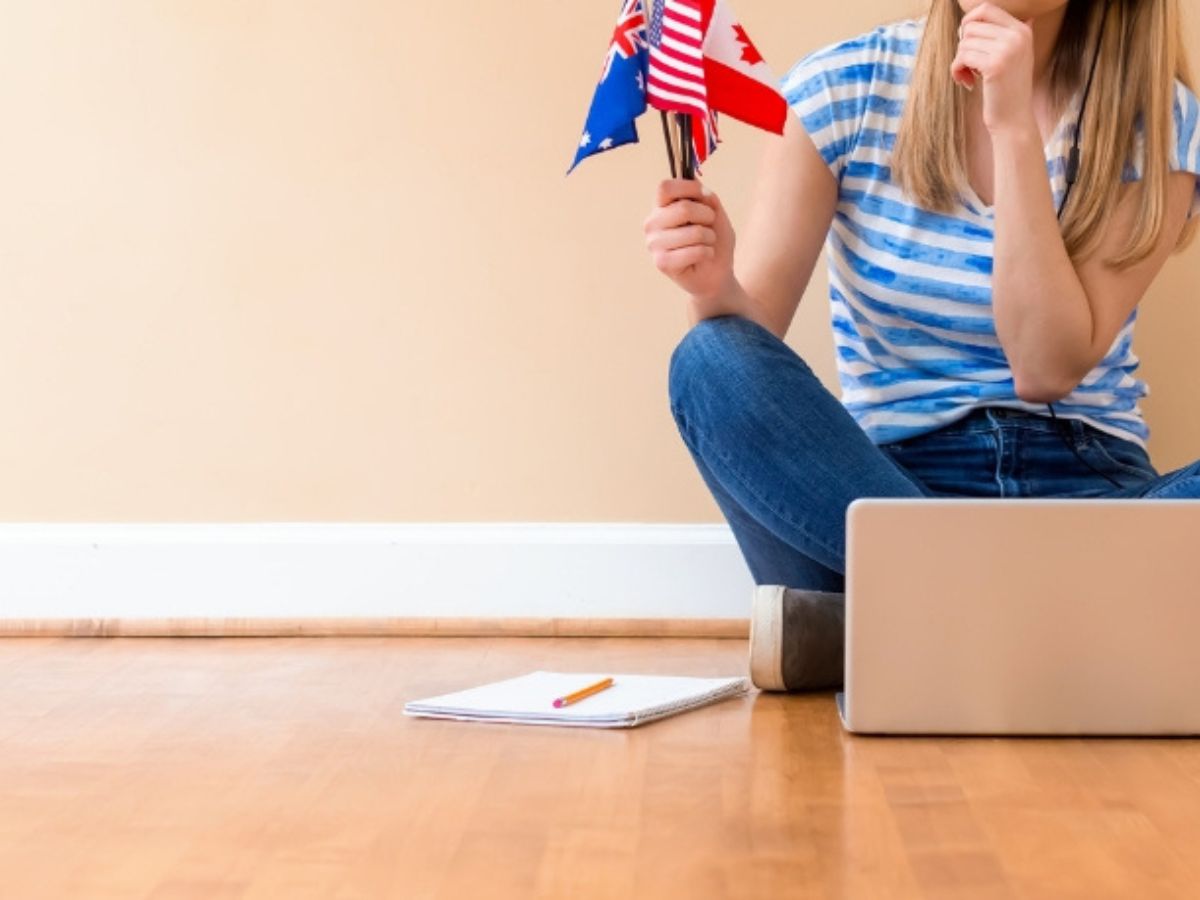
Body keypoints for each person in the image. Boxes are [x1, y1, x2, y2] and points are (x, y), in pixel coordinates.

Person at [643, 0, 1200, 692]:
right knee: (708, 360)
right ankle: (1055, 633)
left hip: (1085, 502)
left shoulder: (1159, 120)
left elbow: (1045, 368)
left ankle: (877, 634)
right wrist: (713, 282)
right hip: (879, 506)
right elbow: (747, 352)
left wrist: (1012, 131)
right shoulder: (844, 87)